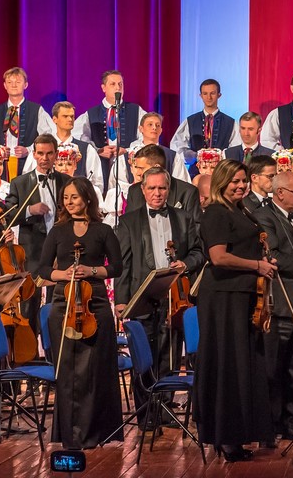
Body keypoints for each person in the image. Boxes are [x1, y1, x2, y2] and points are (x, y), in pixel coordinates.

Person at [194, 160, 277, 461]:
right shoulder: (216, 212)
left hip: (241, 296)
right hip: (223, 298)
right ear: (221, 182)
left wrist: (263, 261)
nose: (241, 186)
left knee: (243, 363)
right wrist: (257, 265)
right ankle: (226, 437)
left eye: (244, 181)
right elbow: (218, 257)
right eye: (235, 181)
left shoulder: (241, 210)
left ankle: (239, 434)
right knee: (228, 364)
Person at [38, 177, 123, 449]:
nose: (69, 202)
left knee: (95, 369)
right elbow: (42, 269)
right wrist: (63, 274)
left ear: (87, 198)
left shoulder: (103, 230)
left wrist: (92, 271)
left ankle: (96, 432)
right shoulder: (57, 232)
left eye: (74, 197)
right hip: (63, 303)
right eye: (65, 198)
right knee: (67, 369)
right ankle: (70, 434)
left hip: (94, 302)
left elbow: (117, 267)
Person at [114, 166, 204, 419]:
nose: (157, 193)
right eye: (152, 188)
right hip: (141, 296)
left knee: (170, 355)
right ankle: (146, 415)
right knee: (144, 356)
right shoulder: (129, 221)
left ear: (169, 189)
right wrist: (121, 300)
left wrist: (185, 264)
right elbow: (123, 265)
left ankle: (165, 411)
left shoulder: (183, 217)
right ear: (143, 190)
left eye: (162, 188)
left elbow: (198, 251)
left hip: (175, 297)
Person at [252, 169, 293, 442]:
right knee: (277, 367)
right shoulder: (265, 216)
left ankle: (290, 418)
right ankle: (274, 423)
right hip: (282, 303)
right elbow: (273, 255)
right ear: (279, 193)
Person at [7, 134, 73, 337]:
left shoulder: (66, 181)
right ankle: (31, 349)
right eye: (41, 153)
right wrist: (29, 210)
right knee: (30, 301)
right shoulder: (20, 182)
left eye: (49, 153)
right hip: (32, 251)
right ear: (34, 154)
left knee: (59, 299)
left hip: (60, 251)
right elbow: (8, 216)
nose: (45, 158)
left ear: (56, 155)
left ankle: (56, 345)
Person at [0, 66, 55, 174]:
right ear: (5, 85)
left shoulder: (36, 110)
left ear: (25, 85)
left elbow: (49, 137)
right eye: (10, 82)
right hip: (1, 168)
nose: (13, 85)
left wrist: (29, 150)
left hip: (28, 166)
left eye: (18, 82)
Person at [75, 70, 146, 193]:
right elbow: (80, 138)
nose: (118, 88)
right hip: (101, 163)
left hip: (127, 163)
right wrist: (98, 150)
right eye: (113, 84)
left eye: (120, 84)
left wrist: (127, 150)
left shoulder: (136, 110)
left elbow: (145, 136)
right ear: (103, 88)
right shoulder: (91, 113)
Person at [23, 101, 103, 199]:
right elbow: (28, 177)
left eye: (72, 116)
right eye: (65, 116)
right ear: (55, 119)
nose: (70, 119)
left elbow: (97, 183)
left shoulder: (87, 149)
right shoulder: (41, 147)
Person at [124, 145, 202, 225]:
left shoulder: (188, 192)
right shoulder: (134, 191)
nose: (138, 173)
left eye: (141, 168)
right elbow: (127, 225)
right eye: (136, 168)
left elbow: (195, 227)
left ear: (157, 167)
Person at [171, 79, 238, 156]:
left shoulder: (230, 123)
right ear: (201, 96)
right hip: (196, 163)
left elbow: (237, 148)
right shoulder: (190, 121)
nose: (209, 97)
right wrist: (192, 155)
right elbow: (177, 145)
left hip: (222, 164)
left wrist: (222, 156)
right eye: (205, 93)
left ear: (219, 95)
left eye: (212, 93)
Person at [128, 112, 189, 183]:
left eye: (157, 125)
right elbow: (120, 183)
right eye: (150, 124)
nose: (154, 128)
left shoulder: (172, 156)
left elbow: (182, 182)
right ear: (141, 129)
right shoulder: (127, 155)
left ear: (161, 130)